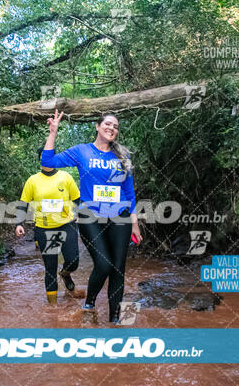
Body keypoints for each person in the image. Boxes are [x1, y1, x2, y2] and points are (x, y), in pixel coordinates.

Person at [41, 109, 143, 322]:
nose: (111, 128)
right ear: (97, 126)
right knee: (104, 264)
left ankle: (115, 318)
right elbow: (48, 163)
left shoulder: (122, 156)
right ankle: (90, 302)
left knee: (118, 268)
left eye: (115, 126)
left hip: (120, 217)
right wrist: (53, 133)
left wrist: (134, 223)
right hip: (91, 217)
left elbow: (129, 192)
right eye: (107, 124)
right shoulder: (82, 151)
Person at [15, 147, 81, 304]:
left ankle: (65, 273)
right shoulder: (33, 180)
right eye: (44, 156)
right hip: (45, 229)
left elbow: (77, 199)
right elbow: (23, 203)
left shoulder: (65, 177)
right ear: (40, 159)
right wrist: (19, 223)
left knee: (73, 261)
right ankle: (53, 308)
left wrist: (79, 214)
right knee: (50, 267)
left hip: (67, 225)